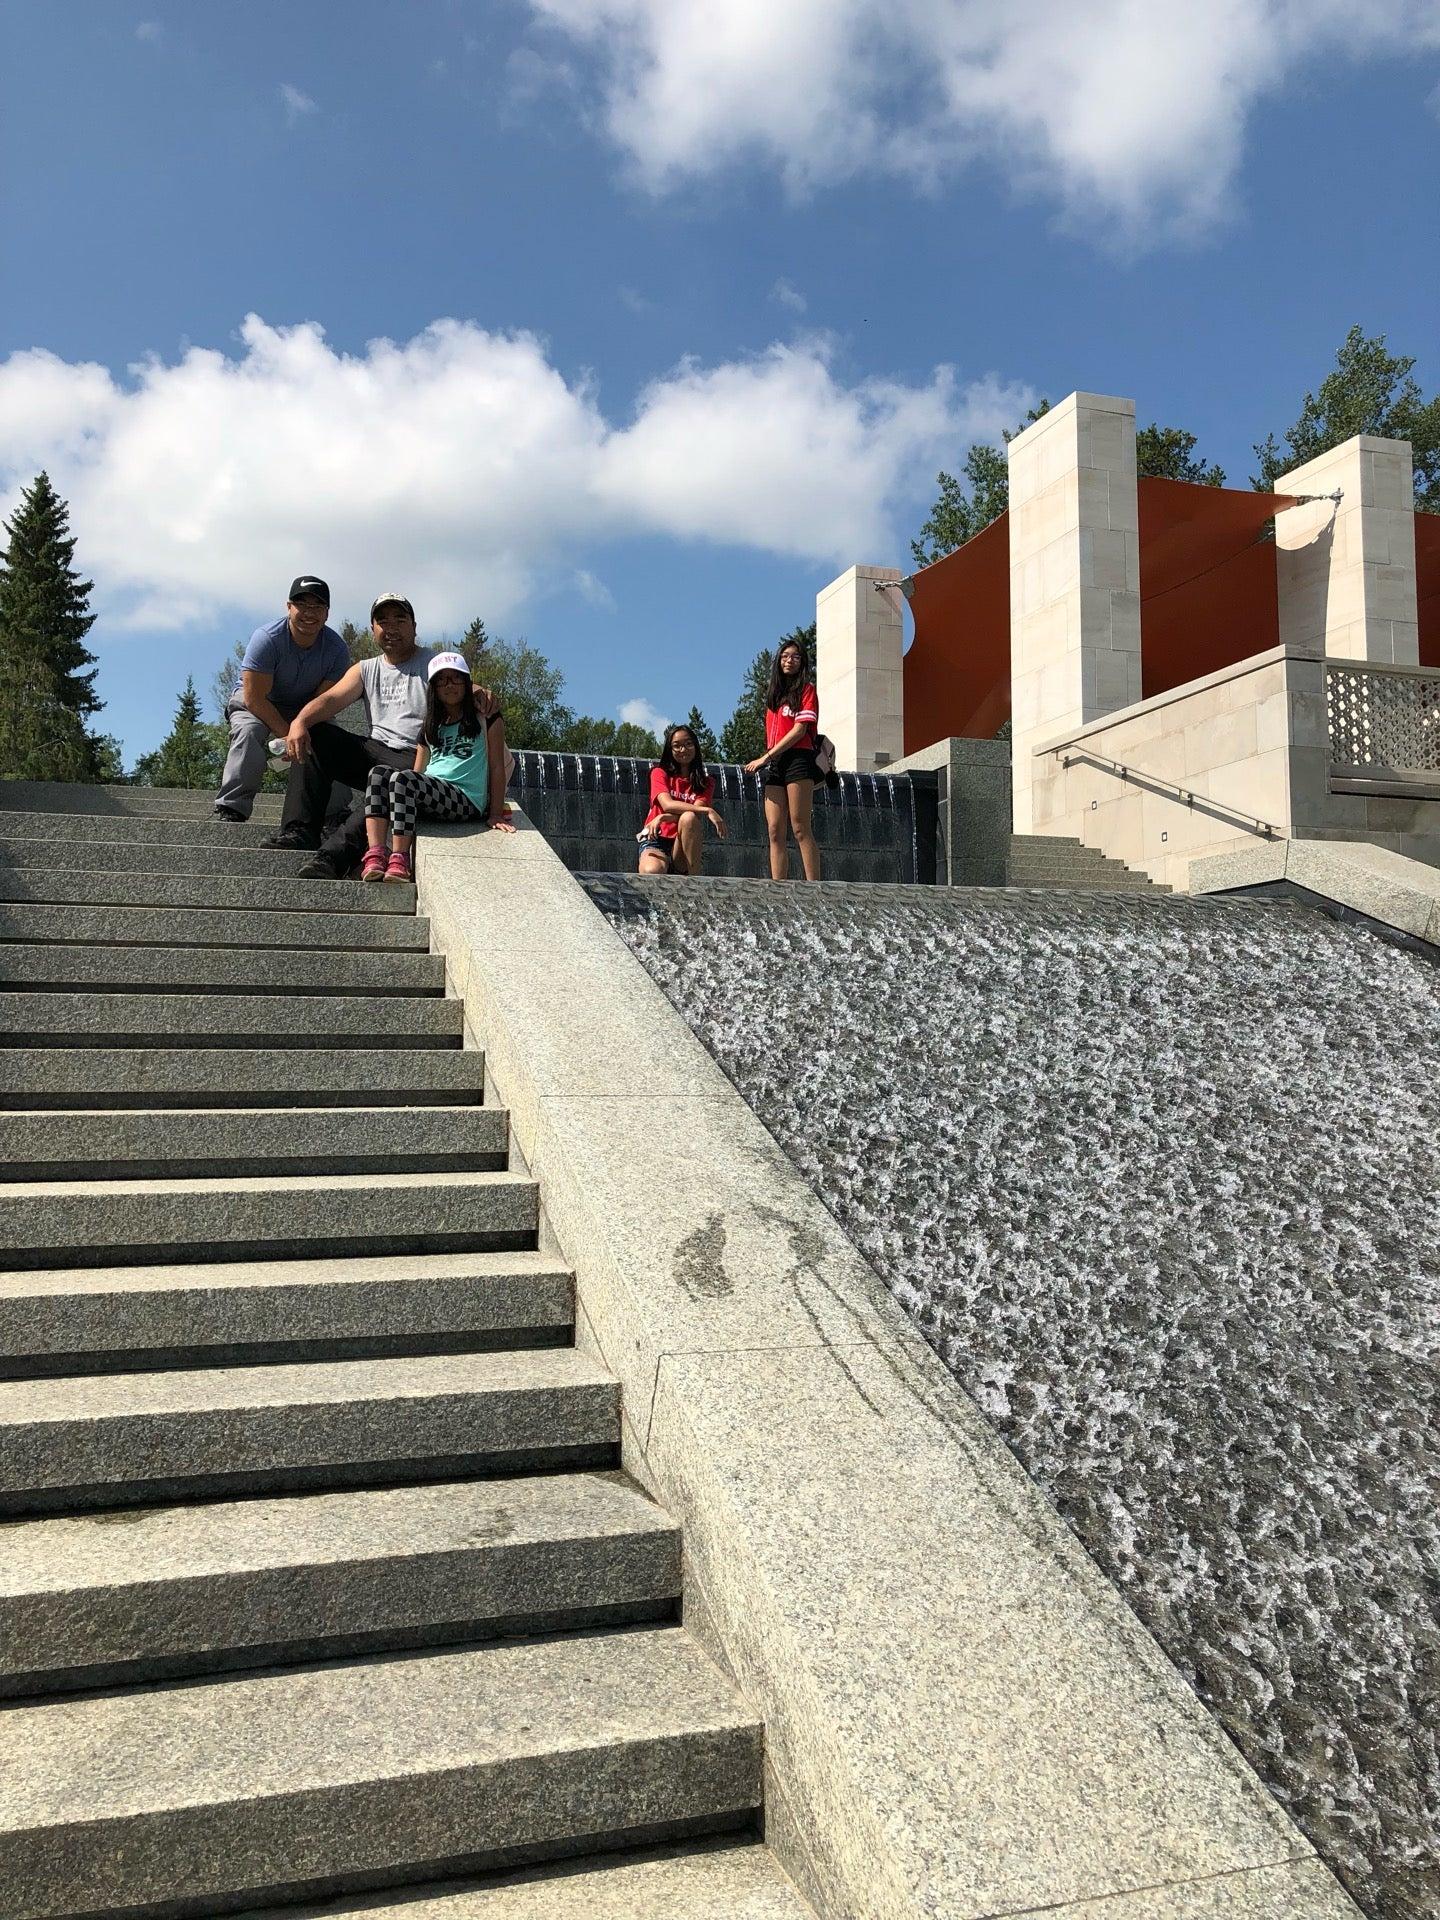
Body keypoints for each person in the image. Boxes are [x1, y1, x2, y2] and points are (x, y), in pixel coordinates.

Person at [265, 592, 494, 877]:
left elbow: (460, 685)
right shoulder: (366, 669)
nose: (392, 628)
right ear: (373, 629)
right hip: (375, 752)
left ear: (414, 626)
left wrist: (479, 691)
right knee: (317, 734)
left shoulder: (431, 662)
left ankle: (333, 857)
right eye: (383, 621)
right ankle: (301, 831)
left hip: (416, 759)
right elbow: (331, 699)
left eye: (400, 619)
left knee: (386, 780)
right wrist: (299, 722)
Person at [361, 651, 513, 880]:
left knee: (403, 780)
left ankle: (400, 857)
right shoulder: (432, 725)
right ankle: (376, 853)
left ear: (466, 682)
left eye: (456, 678)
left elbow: (496, 767)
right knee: (378, 773)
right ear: (433, 688)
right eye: (441, 680)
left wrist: (495, 813)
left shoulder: (488, 718)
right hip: (434, 791)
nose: (449, 685)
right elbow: (418, 770)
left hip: (466, 798)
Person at [213, 575, 348, 822]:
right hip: (257, 702)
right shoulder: (266, 639)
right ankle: (232, 806)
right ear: (288, 607)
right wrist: (289, 734)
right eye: (302, 605)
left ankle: (335, 812)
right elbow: (255, 699)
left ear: (327, 613)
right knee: (248, 731)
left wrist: (301, 727)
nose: (309, 613)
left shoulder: (337, 649)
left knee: (330, 739)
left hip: (305, 706)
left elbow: (323, 701)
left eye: (317, 607)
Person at [745, 636, 822, 881]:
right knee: (775, 829)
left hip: (799, 758)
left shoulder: (807, 691)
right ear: (778, 660)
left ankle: (815, 886)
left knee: (799, 826)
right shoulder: (773, 697)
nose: (790, 661)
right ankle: (778, 887)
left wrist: (765, 757)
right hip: (776, 762)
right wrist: (769, 758)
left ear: (803, 663)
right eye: (785, 656)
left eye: (796, 657)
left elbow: (799, 730)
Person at [637, 724, 725, 874]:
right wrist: (708, 810)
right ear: (670, 750)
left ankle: (694, 880)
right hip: (655, 839)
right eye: (676, 746)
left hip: (683, 843)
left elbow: (692, 816)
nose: (683, 750)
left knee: (689, 817)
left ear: (696, 746)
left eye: (688, 744)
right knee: (652, 871)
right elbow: (668, 805)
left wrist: (663, 818)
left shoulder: (706, 782)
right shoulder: (659, 773)